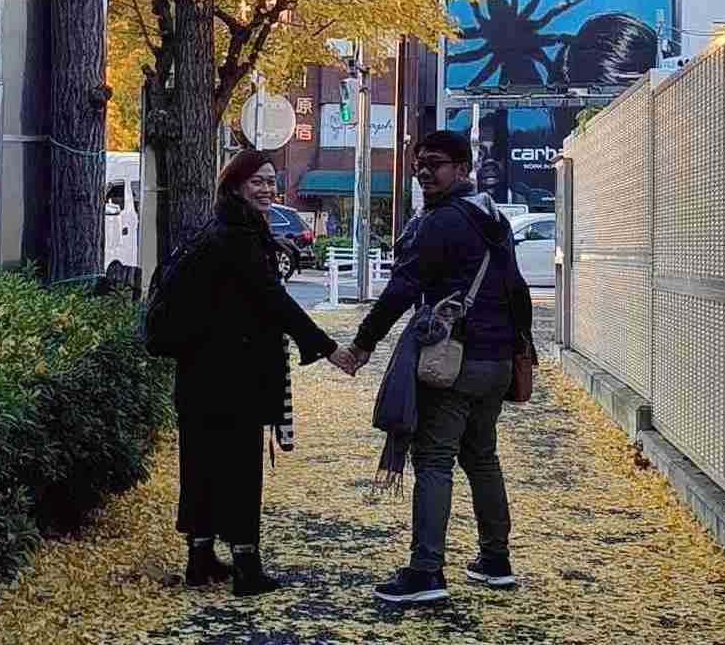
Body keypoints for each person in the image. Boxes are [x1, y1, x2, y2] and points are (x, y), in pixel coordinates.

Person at [347, 130, 533, 605]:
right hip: (496, 362)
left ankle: (426, 571)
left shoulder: (442, 221)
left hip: (452, 361)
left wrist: (364, 344)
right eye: (419, 164)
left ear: (463, 168)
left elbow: (402, 288)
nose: (424, 171)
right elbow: (517, 289)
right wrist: (519, 349)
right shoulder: (492, 217)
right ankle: (495, 560)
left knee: (433, 460)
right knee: (482, 457)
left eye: (435, 163)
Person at [175, 149, 358, 596]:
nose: (267, 189)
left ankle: (200, 559)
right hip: (233, 374)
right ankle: (246, 566)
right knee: (240, 468)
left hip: (199, 371)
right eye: (257, 181)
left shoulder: (217, 230)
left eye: (271, 181)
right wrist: (330, 349)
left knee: (201, 465)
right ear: (235, 185)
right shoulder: (239, 237)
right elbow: (276, 303)